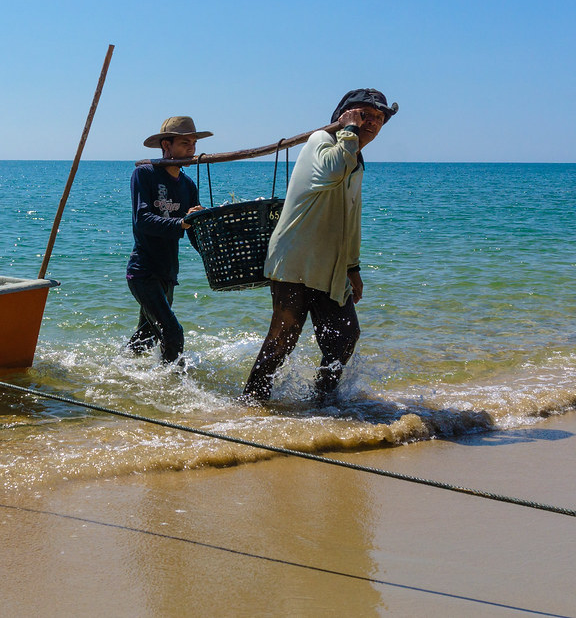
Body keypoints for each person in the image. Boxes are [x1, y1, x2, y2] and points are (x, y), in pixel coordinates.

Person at [242, 89, 398, 404]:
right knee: (284, 336)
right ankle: (251, 403)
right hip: (295, 260)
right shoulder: (320, 143)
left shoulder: (355, 157)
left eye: (379, 118)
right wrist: (349, 131)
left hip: (331, 267)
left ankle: (322, 403)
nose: (372, 123)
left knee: (344, 335)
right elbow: (333, 171)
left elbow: (351, 218)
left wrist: (353, 268)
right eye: (364, 115)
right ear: (345, 115)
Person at [125, 116, 208, 364]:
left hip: (168, 273)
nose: (191, 149)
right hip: (142, 272)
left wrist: (210, 249)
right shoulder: (145, 174)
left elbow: (192, 230)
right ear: (166, 146)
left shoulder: (188, 185)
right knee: (173, 332)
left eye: (193, 143)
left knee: (147, 336)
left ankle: (121, 372)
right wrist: (180, 222)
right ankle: (172, 388)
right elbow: (143, 219)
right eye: (185, 143)